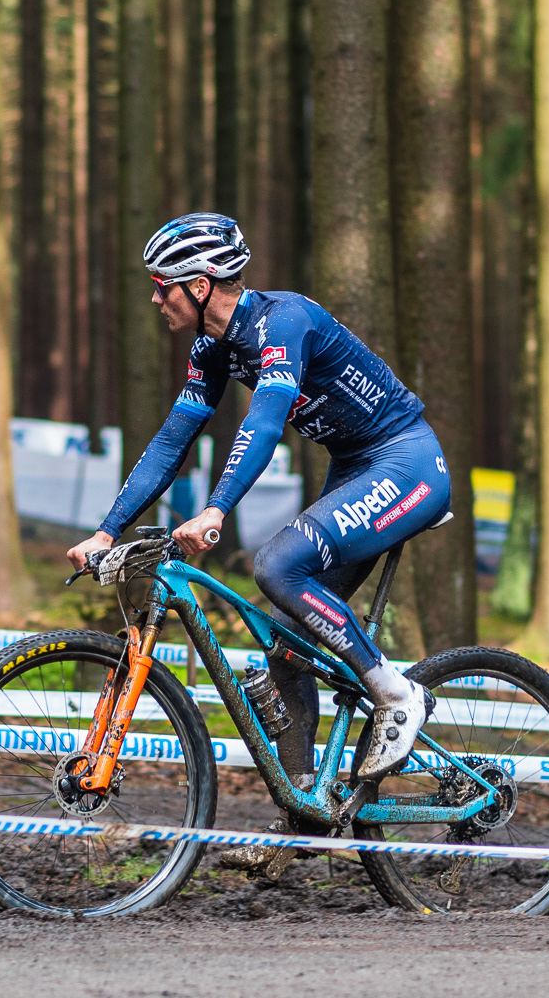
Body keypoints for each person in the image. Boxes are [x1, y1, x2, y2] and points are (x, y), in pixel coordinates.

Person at [66, 212, 452, 860]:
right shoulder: (213, 348)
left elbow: (265, 424)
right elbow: (171, 440)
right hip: (357, 468)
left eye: (164, 285)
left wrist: (216, 509)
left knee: (277, 565)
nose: (156, 297)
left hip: (405, 461)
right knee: (286, 646)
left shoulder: (284, 322)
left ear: (202, 283)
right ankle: (305, 820)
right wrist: (107, 530)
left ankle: (396, 693)